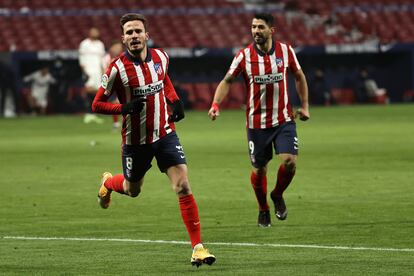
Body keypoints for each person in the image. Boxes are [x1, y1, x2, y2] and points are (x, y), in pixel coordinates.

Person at [92, 13, 215, 267]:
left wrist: (175, 100)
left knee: (182, 185)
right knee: (132, 189)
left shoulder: (161, 57)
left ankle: (198, 247)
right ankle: (108, 182)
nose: (134, 36)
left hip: (165, 133)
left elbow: (163, 79)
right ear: (123, 38)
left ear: (146, 35)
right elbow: (97, 104)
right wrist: (124, 109)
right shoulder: (116, 68)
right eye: (129, 32)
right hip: (135, 142)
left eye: (138, 31)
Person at [208, 13, 310, 227]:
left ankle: (277, 195)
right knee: (260, 169)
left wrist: (305, 106)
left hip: (283, 119)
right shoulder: (244, 56)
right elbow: (227, 81)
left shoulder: (285, 51)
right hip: (256, 124)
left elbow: (299, 76)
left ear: (271, 30)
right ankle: (263, 209)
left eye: (260, 27)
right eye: (253, 27)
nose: (255, 31)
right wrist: (216, 104)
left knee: (290, 162)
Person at [79, 27, 106, 124]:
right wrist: (84, 71)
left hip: (98, 72)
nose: (95, 33)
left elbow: (102, 59)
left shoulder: (100, 44)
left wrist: (103, 71)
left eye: (96, 31)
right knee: (88, 90)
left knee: (98, 92)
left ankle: (93, 114)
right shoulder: (84, 44)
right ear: (89, 33)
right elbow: (81, 58)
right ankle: (87, 114)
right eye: (93, 31)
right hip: (88, 71)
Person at [102, 40, 124, 129]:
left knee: (121, 102)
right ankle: (116, 123)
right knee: (114, 103)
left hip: (122, 82)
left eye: (119, 47)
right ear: (111, 48)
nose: (117, 49)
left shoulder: (123, 57)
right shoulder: (106, 58)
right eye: (116, 47)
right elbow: (104, 70)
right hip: (111, 82)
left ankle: (125, 122)